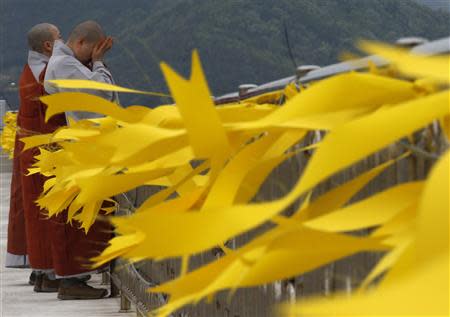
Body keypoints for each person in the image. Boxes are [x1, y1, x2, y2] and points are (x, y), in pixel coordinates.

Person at [43, 20, 116, 300]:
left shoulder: (62, 63)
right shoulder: (65, 65)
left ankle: (75, 277)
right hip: (83, 147)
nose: (90, 60)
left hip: (77, 146)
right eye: (92, 52)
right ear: (82, 44)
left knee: (77, 216)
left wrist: (94, 61)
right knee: (77, 219)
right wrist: (98, 65)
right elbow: (102, 95)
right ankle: (72, 281)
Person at [6, 23, 62, 293]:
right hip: (42, 153)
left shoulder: (31, 70)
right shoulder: (44, 75)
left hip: (31, 150)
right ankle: (48, 273)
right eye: (59, 39)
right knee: (45, 215)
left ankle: (41, 271)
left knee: (35, 213)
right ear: (48, 47)